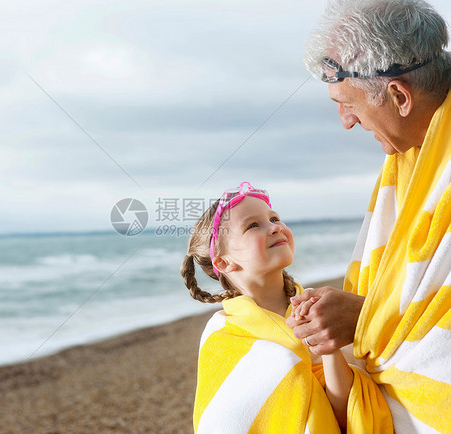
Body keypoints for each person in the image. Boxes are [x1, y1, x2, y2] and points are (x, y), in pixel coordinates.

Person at [286, 0, 451, 432]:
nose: (345, 122)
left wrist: (364, 316)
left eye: (346, 103)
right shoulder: (412, 155)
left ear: (398, 95)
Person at [181, 182, 392, 433]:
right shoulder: (223, 336)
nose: (275, 227)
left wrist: (328, 348)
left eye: (274, 218)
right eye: (253, 225)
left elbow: (344, 412)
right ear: (224, 262)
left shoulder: (320, 309)